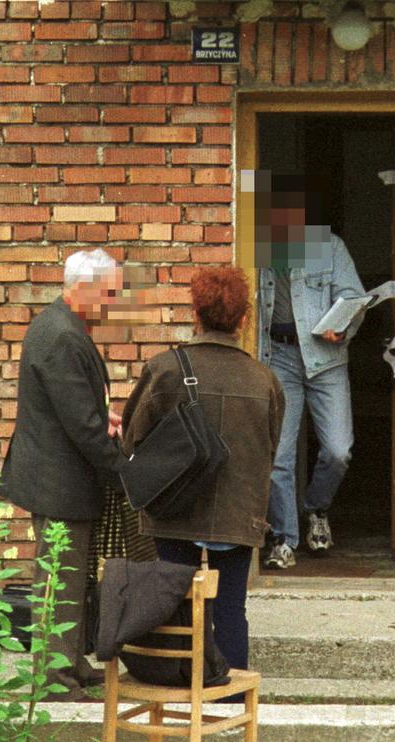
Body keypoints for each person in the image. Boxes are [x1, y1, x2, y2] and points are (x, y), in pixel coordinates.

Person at [121, 266, 285, 672]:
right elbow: (271, 448)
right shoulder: (265, 380)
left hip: (173, 511)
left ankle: (176, 686)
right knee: (230, 607)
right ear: (245, 320)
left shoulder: (164, 369)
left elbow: (132, 438)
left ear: (195, 313)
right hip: (237, 515)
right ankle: (227, 701)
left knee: (173, 603)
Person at [0, 248, 124, 701]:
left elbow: (77, 411)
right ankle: (54, 679)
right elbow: (82, 427)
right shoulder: (63, 336)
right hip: (59, 482)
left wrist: (102, 419)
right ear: (83, 287)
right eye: (109, 293)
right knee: (59, 580)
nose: (112, 302)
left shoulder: (60, 325)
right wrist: (122, 468)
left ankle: (71, 662)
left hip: (61, 478)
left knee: (71, 578)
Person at [257, 180, 365, 569]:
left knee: (338, 449)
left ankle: (316, 509)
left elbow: (354, 297)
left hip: (326, 357)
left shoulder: (329, 246)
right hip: (278, 357)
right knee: (278, 456)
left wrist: (344, 326)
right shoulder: (258, 250)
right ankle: (283, 539)